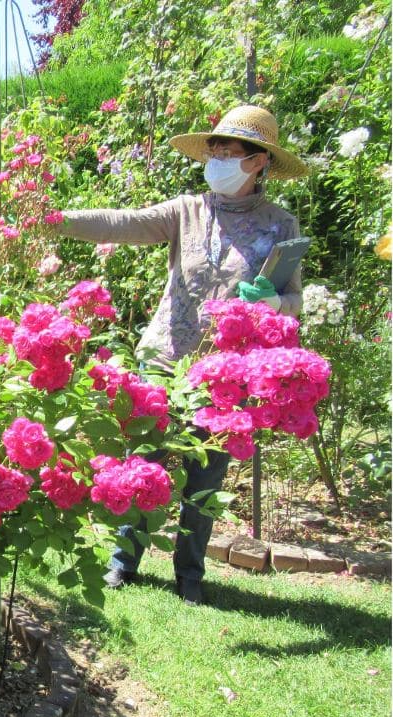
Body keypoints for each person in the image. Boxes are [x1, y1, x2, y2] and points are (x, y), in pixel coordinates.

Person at [55, 105, 309, 604]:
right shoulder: (187, 211)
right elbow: (123, 223)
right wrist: (59, 220)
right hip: (166, 356)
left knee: (207, 471)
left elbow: (295, 299)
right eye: (213, 150)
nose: (216, 159)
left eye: (228, 152)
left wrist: (274, 302)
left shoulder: (281, 224)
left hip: (229, 374)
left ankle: (189, 573)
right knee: (142, 459)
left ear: (258, 162)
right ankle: (122, 561)